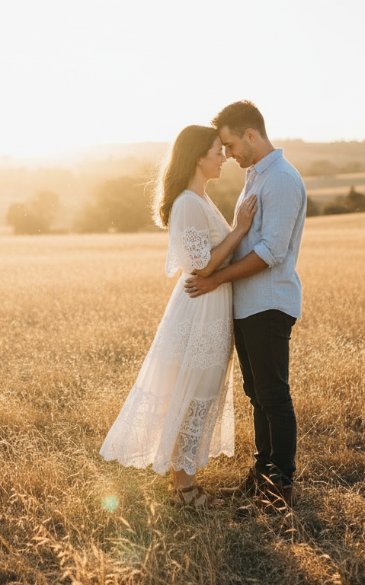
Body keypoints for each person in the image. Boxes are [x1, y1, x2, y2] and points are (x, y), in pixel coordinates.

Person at [100, 124, 257, 510]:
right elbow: (200, 265)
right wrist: (239, 232)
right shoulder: (188, 201)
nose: (223, 157)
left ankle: (182, 480)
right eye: (217, 151)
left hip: (212, 305)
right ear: (197, 157)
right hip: (199, 308)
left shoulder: (201, 199)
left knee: (199, 387)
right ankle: (185, 489)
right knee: (193, 388)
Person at [185, 101, 307, 509]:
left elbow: (271, 251)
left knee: (274, 394)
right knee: (257, 393)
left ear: (251, 135)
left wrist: (216, 278)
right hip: (247, 305)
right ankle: (262, 475)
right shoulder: (256, 177)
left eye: (231, 144)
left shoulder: (282, 181)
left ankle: (281, 486)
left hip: (269, 303)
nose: (229, 154)